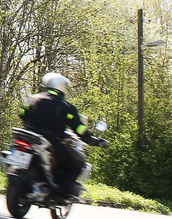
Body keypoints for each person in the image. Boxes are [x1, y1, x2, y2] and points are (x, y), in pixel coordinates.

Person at [20, 72, 108, 200]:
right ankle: (58, 195)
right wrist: (95, 141)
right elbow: (80, 129)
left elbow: (22, 113)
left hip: (29, 137)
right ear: (63, 87)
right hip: (52, 142)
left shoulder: (33, 98)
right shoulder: (67, 108)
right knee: (76, 166)